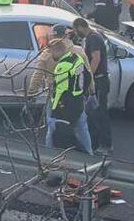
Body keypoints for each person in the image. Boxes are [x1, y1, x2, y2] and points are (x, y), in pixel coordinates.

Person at [28, 26, 93, 154]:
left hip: (55, 97)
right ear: (66, 35)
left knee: (53, 127)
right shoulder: (78, 51)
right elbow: (88, 74)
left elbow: (37, 76)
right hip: (76, 97)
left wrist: (31, 93)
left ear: (52, 37)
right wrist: (91, 92)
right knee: (81, 127)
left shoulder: (47, 54)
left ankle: (49, 155)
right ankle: (89, 155)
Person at [74, 17, 112, 154]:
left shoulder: (93, 38)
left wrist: (88, 77)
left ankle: (106, 145)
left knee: (100, 113)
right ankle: (96, 143)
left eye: (75, 29)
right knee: (94, 113)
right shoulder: (95, 35)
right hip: (99, 80)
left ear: (80, 27)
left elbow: (96, 58)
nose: (76, 32)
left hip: (99, 81)